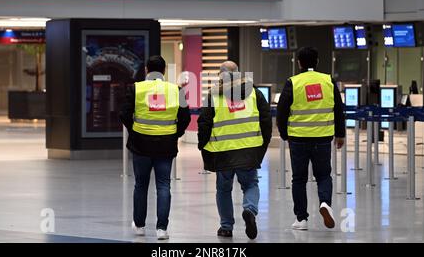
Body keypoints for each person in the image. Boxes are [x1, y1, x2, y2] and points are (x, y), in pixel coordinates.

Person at [198, 61, 272, 239]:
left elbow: (204, 124)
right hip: (248, 150)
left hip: (223, 152)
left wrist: (203, 146)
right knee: (251, 184)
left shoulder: (214, 96)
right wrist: (263, 145)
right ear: (238, 73)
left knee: (223, 190)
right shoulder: (254, 93)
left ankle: (226, 227)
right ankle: (250, 210)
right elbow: (266, 120)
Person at [120, 55, 191, 240]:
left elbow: (124, 114)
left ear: (146, 70)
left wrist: (135, 131)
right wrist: (175, 134)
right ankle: (162, 229)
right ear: (164, 71)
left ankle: (140, 226)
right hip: (166, 145)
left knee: (141, 185)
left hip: (141, 144)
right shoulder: (177, 90)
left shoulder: (136, 88)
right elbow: (186, 118)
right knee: (164, 185)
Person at [276, 47, 345, 231]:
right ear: (317, 61)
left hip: (298, 139)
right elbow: (338, 109)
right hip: (323, 137)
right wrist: (340, 134)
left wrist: (284, 134)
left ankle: (301, 219)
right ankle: (325, 203)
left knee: (299, 178)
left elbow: (281, 112)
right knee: (323, 175)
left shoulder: (293, 82)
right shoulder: (328, 81)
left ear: (299, 62)